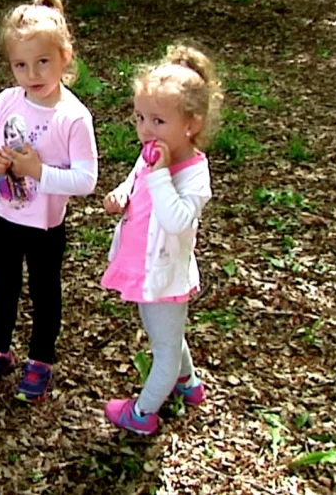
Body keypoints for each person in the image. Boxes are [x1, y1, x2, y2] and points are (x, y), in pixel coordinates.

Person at [0, 0, 99, 402]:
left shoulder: (72, 117)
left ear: (65, 56)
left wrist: (38, 172)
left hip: (44, 226)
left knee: (45, 293)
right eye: (20, 65)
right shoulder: (6, 102)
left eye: (43, 61)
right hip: (1, 215)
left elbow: (86, 179)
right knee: (3, 287)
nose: (32, 73)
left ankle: (40, 359)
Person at [100, 45, 223, 435]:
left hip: (165, 275)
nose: (145, 130)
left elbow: (177, 220)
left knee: (164, 349)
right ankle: (189, 385)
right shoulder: (152, 155)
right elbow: (135, 179)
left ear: (191, 124)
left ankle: (142, 413)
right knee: (165, 334)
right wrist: (122, 194)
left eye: (157, 120)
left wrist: (160, 175)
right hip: (141, 263)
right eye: (140, 118)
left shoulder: (193, 174)